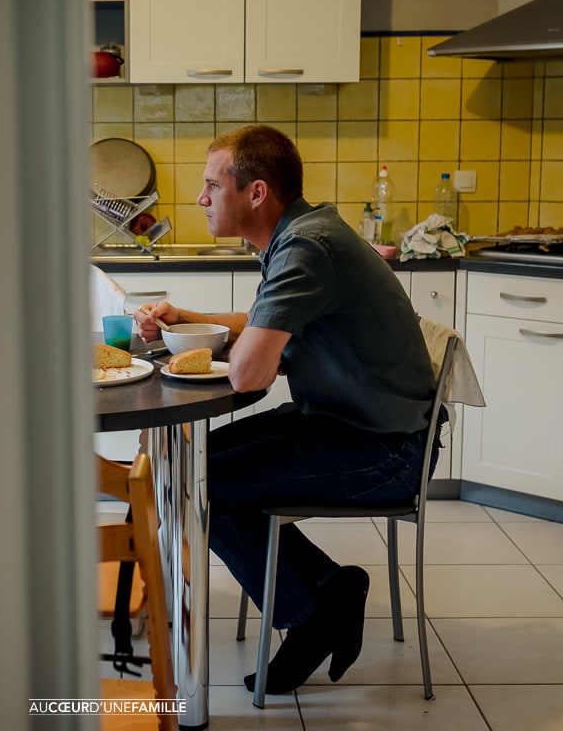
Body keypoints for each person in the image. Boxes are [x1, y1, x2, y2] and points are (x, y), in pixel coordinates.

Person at [132, 125, 437, 694]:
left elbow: (251, 376)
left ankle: (314, 610)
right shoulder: (301, 233)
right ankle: (326, 592)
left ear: (256, 193)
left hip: (381, 449)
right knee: (191, 474)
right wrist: (187, 319)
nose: (200, 199)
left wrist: (200, 351)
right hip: (348, 422)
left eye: (211, 186)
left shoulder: (304, 248)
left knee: (200, 483)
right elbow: (262, 330)